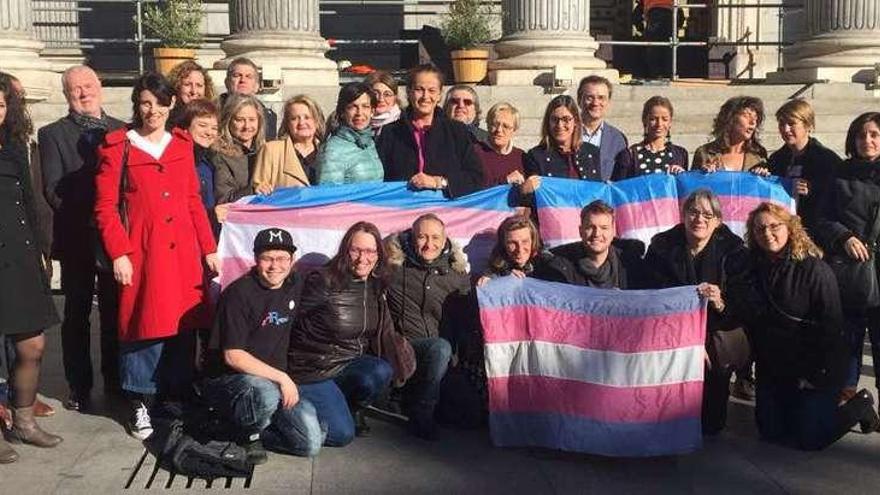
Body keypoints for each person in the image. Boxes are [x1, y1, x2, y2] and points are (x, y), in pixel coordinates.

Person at [94, 73, 219, 440]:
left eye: (160, 103)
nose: (153, 110)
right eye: (146, 102)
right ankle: (140, 401)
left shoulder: (180, 144)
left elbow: (193, 200)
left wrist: (208, 247)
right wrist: (119, 253)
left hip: (182, 253)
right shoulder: (120, 146)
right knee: (143, 326)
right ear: (137, 105)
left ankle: (173, 396)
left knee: (181, 324)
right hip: (143, 253)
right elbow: (104, 208)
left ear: (171, 105)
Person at [730, 202, 880, 450]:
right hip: (775, 366)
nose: (767, 234)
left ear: (790, 227)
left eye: (774, 226)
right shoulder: (751, 267)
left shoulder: (814, 269)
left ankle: (859, 406)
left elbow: (832, 328)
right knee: (771, 432)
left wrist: (817, 375)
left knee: (809, 439)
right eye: (760, 229)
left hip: (814, 366)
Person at [38, 65, 125, 411]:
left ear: (100, 86)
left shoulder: (121, 129)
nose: (84, 93)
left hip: (114, 239)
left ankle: (116, 380)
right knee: (76, 313)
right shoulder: (52, 134)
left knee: (114, 310)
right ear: (66, 95)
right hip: (77, 237)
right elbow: (52, 189)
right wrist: (94, 217)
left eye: (89, 85)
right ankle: (79, 385)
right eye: (76, 89)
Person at [199, 228, 322, 462]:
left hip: (274, 382)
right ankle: (246, 433)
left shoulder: (295, 283)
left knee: (311, 444)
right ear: (256, 260)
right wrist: (282, 378)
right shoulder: (238, 294)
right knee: (263, 394)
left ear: (292, 260)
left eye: (282, 258)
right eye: (268, 258)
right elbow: (233, 356)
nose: (275, 266)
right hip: (232, 381)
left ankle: (248, 428)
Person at [644, 189, 748, 434]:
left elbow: (743, 304)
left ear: (718, 222)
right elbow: (649, 295)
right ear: (683, 215)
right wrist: (689, 341)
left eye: (707, 215)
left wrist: (721, 301)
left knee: (711, 424)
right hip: (671, 332)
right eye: (693, 212)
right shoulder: (661, 247)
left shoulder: (735, 252)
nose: (699, 219)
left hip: (716, 331)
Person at [0, 74, 63, 464]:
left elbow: (29, 204)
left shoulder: (12, 149)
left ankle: (23, 421)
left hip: (20, 259)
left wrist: (42, 252)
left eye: (2, 104)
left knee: (32, 345)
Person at [289, 222, 396, 445]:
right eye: (356, 250)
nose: (362, 258)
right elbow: (292, 322)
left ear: (378, 254)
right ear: (345, 250)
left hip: (347, 365)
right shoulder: (323, 280)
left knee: (381, 370)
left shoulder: (375, 284)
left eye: (370, 251)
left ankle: (347, 406)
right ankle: (293, 408)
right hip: (313, 370)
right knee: (341, 435)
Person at [385, 214, 472, 439]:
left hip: (443, 360)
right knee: (440, 347)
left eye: (435, 238)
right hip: (405, 348)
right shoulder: (392, 268)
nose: (428, 244)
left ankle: (419, 398)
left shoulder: (457, 275)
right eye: (422, 237)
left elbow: (466, 322)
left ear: (445, 241)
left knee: (470, 415)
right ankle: (422, 414)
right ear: (411, 239)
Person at [816, 112, 880, 404]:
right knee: (849, 336)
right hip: (851, 267)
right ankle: (850, 398)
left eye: (874, 135)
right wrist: (844, 237)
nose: (867, 140)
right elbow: (822, 217)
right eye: (861, 135)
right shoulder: (841, 173)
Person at [377, 64, 485, 198]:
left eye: (432, 90)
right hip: (402, 209)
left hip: (447, 212)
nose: (425, 96)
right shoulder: (390, 132)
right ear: (409, 92)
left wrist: (438, 182)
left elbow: (476, 177)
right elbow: (380, 181)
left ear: (439, 95)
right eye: (419, 89)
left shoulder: (456, 131)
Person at [764, 99, 840, 236]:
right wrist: (760, 170)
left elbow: (838, 196)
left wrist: (813, 188)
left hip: (814, 232)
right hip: (783, 231)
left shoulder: (826, 159)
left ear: (808, 126)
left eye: (791, 123)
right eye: (781, 123)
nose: (785, 129)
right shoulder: (776, 159)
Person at [538, 200, 645, 287]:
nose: (597, 234)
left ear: (613, 232)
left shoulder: (631, 265)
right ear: (580, 231)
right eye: (590, 227)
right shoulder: (559, 268)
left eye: (604, 228)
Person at [523, 95, 601, 191]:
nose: (560, 125)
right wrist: (525, 190)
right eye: (554, 119)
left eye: (566, 119)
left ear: (575, 121)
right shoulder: (535, 156)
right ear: (548, 122)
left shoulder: (592, 152)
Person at [315, 82, 384, 185]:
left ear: (372, 111)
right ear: (342, 112)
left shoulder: (369, 143)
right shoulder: (333, 150)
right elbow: (329, 195)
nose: (359, 113)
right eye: (352, 107)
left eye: (365, 106)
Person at [253, 95, 324, 188]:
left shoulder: (328, 151)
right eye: (294, 118)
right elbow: (258, 187)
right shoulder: (271, 150)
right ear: (287, 124)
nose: (301, 123)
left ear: (317, 121)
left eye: (307, 117)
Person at [612, 95, 688, 179]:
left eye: (665, 119)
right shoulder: (629, 155)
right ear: (645, 120)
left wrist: (683, 175)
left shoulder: (680, 154)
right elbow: (619, 187)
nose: (659, 124)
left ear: (670, 122)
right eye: (653, 119)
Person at [213, 94, 269, 206]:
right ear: (229, 121)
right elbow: (224, 198)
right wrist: (253, 190)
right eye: (240, 120)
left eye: (252, 120)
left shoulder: (266, 151)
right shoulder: (220, 155)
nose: (247, 126)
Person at [693, 96, 768, 172]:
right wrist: (703, 175)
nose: (753, 122)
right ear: (730, 119)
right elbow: (692, 182)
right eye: (747, 116)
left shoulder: (759, 155)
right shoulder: (704, 153)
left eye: (755, 118)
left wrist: (763, 175)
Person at [180, 99, 221, 237]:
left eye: (214, 128)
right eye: (202, 125)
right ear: (186, 127)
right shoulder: (177, 162)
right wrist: (212, 213)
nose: (209, 132)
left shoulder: (208, 163)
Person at [577, 75, 628, 181]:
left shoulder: (617, 139)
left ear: (608, 102)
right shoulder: (566, 133)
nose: (595, 103)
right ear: (579, 100)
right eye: (589, 97)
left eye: (601, 98)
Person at [219, 57, 277, 139]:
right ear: (227, 82)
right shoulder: (213, 112)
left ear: (257, 85)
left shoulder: (268, 117)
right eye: (237, 75)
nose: (243, 80)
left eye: (248, 76)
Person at [472, 102, 527, 188]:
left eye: (506, 126)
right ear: (487, 125)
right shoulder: (474, 152)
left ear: (514, 130)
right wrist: (505, 180)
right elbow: (470, 187)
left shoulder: (521, 157)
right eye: (495, 124)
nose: (499, 130)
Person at [166, 61, 215, 128]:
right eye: (187, 84)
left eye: (199, 85)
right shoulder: (167, 119)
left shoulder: (213, 117)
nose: (194, 91)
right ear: (176, 86)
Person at [364, 70, 401, 136]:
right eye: (375, 94)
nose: (381, 99)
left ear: (395, 98)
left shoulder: (403, 124)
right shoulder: (356, 122)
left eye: (387, 94)